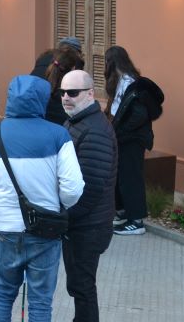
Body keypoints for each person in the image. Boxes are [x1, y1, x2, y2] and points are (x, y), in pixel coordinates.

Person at [0, 75, 85, 322]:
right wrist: (57, 204)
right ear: (43, 100)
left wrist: (3, 203)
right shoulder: (58, 136)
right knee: (40, 301)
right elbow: (73, 188)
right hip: (46, 229)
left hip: (7, 229)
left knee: (3, 293)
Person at [60, 69, 118, 322]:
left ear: (90, 94)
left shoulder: (95, 130)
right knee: (78, 285)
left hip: (88, 226)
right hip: (80, 224)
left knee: (82, 286)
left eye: (72, 92)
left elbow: (92, 187)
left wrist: (64, 216)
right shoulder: (76, 121)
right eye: (62, 92)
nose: (65, 98)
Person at [106, 45, 164, 237]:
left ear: (112, 63)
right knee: (121, 176)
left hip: (132, 140)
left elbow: (138, 115)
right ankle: (123, 211)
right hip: (123, 138)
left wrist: (119, 131)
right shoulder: (123, 82)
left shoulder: (132, 84)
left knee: (131, 178)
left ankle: (136, 220)